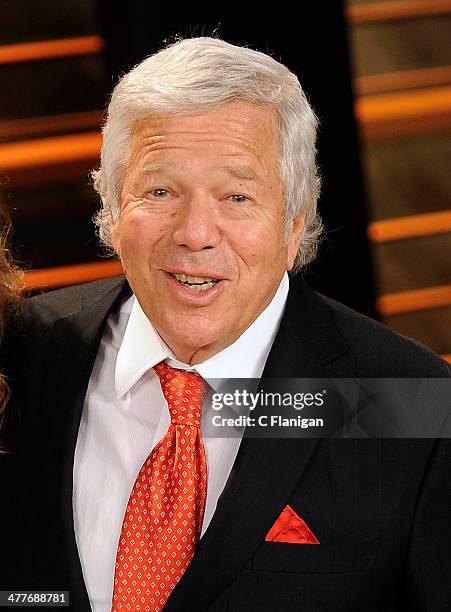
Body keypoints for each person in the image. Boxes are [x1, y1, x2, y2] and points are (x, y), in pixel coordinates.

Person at [2, 37, 450, 612]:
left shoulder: (407, 400)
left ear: (295, 223)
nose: (195, 232)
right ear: (112, 210)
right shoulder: (23, 351)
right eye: (160, 191)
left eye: (237, 196)